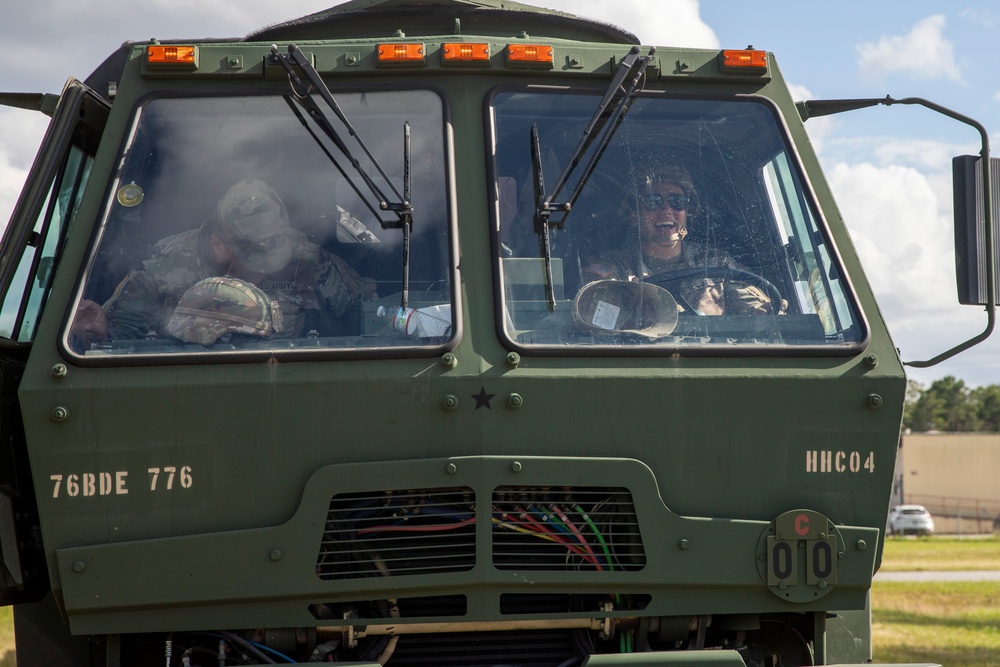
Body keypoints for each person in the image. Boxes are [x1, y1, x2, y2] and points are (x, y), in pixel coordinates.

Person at [72, 178, 372, 345]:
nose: (263, 267)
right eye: (252, 257)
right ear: (217, 244)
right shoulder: (163, 268)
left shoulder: (309, 261)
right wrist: (99, 333)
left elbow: (370, 318)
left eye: (271, 253)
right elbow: (118, 341)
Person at [582, 162, 777, 316]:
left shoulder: (715, 262)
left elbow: (748, 299)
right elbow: (590, 309)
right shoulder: (615, 268)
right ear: (634, 214)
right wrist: (627, 300)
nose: (667, 210)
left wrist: (760, 313)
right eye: (652, 202)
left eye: (677, 201)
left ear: (687, 211)